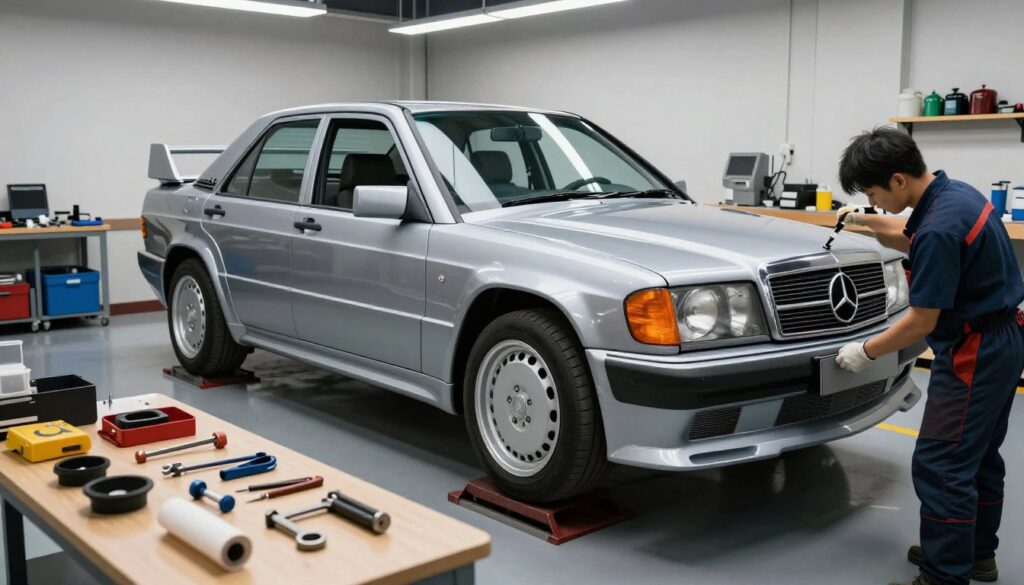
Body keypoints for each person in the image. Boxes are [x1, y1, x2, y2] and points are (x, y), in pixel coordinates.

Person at [832, 127, 1023, 585]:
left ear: (898, 180)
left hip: (974, 352)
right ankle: (975, 554)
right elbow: (910, 235)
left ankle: (943, 573)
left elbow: (921, 321)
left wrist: (865, 351)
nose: (875, 202)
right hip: (1006, 338)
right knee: (978, 457)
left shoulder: (937, 227)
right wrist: (860, 221)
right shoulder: (957, 195)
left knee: (942, 464)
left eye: (874, 192)